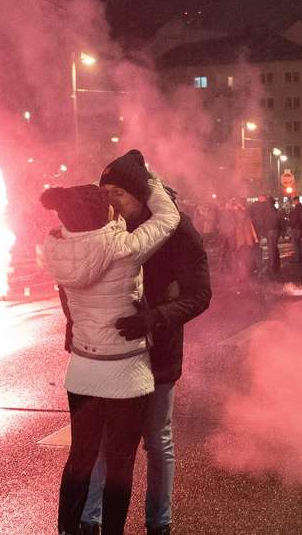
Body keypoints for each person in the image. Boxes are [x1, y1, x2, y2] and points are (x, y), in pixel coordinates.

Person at [41, 166, 180, 535]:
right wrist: (146, 178)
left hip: (83, 370)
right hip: (125, 373)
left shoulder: (57, 250)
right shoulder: (124, 248)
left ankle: (68, 530)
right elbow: (168, 218)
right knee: (120, 463)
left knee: (80, 459)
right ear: (102, 214)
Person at [80, 150, 212, 535]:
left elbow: (199, 295)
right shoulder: (106, 227)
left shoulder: (178, 231)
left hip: (158, 350)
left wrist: (153, 319)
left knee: (156, 440)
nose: (110, 201)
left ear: (141, 193)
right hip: (112, 353)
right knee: (106, 442)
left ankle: (159, 523)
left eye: (118, 193)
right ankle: (91, 521)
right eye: (106, 192)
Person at [248, 195, 280, 275]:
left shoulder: (260, 207)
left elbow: (262, 220)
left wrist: (262, 228)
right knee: (273, 249)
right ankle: (273, 267)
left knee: (268, 249)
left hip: (264, 230)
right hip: (269, 230)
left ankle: (268, 267)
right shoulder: (271, 208)